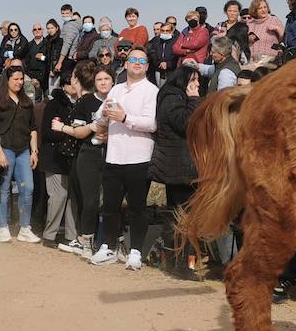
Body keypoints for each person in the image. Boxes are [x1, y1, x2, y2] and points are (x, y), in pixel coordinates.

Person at [95, 47, 159, 269]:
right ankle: (109, 247)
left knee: (137, 207)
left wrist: (125, 117)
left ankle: (136, 251)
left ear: (147, 66)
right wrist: (103, 116)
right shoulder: (115, 89)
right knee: (110, 205)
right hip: (114, 155)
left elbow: (151, 124)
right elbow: (101, 117)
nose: (137, 63)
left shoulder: (152, 91)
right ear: (126, 63)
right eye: (133, 59)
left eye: (142, 60)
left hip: (139, 156)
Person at [149, 63, 206, 272]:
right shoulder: (172, 98)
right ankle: (182, 264)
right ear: (183, 80)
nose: (197, 84)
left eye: (198, 80)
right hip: (179, 167)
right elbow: (186, 123)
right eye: (193, 80)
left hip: (182, 166)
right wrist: (193, 100)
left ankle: (176, 261)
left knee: (180, 215)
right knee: (183, 217)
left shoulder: (175, 97)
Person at [0, 66, 39, 244]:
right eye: (15, 79)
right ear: (7, 80)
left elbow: (33, 128)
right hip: (5, 148)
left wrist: (34, 151)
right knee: (3, 189)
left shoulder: (26, 102)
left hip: (24, 150)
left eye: (21, 79)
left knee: (28, 188)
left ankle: (25, 228)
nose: (19, 82)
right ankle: (2, 227)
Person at [64, 63, 109, 253]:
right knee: (90, 201)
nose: (103, 82)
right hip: (89, 154)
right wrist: (93, 127)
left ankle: (109, 243)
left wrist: (107, 135)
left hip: (113, 155)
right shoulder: (86, 102)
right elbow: (78, 131)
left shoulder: (120, 98)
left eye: (106, 79)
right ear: (94, 82)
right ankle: (86, 241)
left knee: (110, 202)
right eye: (99, 79)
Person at [41, 71, 84, 252]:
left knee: (71, 197)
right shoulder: (54, 103)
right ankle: (49, 235)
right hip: (54, 157)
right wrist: (69, 131)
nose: (75, 86)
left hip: (71, 158)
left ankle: (71, 236)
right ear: (65, 85)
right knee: (58, 196)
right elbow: (48, 131)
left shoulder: (79, 104)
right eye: (72, 82)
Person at [55, 4, 82, 83]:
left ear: (72, 13)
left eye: (67, 13)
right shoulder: (67, 24)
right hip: (68, 58)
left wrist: (59, 62)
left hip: (67, 59)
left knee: (66, 83)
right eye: (63, 14)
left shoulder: (71, 25)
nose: (65, 15)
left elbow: (67, 44)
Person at [147, 21, 176, 86]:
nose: (165, 32)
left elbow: (176, 57)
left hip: (171, 71)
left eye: (167, 30)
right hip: (159, 71)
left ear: (171, 31)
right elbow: (153, 54)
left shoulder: (176, 42)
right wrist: (159, 63)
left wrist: (167, 64)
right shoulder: (156, 41)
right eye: (163, 30)